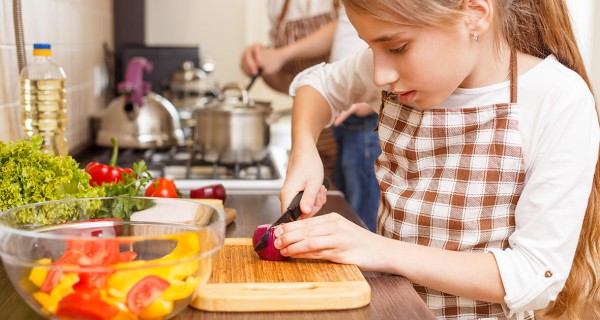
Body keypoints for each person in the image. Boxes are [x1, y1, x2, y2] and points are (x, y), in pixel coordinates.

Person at [274, 0, 600, 319]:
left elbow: (532, 275)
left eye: (398, 47)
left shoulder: (558, 99)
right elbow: (317, 84)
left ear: (474, 15)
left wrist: (376, 249)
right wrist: (304, 149)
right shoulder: (396, 77)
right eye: (371, 48)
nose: (379, 75)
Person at [240, 0, 381, 231]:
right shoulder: (277, 5)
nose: (383, 75)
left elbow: (344, 33)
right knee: (338, 211)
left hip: (357, 123)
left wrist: (281, 54)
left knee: (359, 218)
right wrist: (264, 66)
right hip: (323, 123)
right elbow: (303, 83)